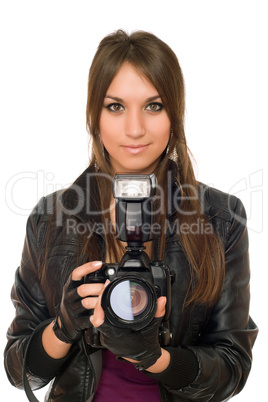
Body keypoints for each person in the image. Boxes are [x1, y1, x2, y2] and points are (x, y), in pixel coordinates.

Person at [4, 30, 258, 402]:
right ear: (94, 115)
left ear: (175, 113)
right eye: (116, 106)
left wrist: (154, 358)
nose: (135, 129)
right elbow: (18, 370)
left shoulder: (221, 218)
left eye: (153, 106)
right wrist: (63, 326)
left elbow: (232, 366)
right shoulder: (50, 218)